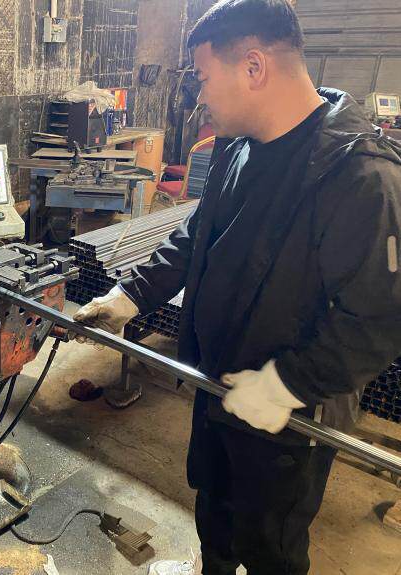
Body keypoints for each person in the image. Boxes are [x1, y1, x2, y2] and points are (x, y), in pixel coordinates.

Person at [73, 1, 401, 573]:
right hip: (217, 383)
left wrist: (283, 386)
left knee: (269, 549)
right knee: (215, 522)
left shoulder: (360, 176)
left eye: (203, 78)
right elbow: (198, 233)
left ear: (253, 67)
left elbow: (377, 321)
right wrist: (130, 296)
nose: (199, 98)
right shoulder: (237, 145)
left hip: (288, 421)